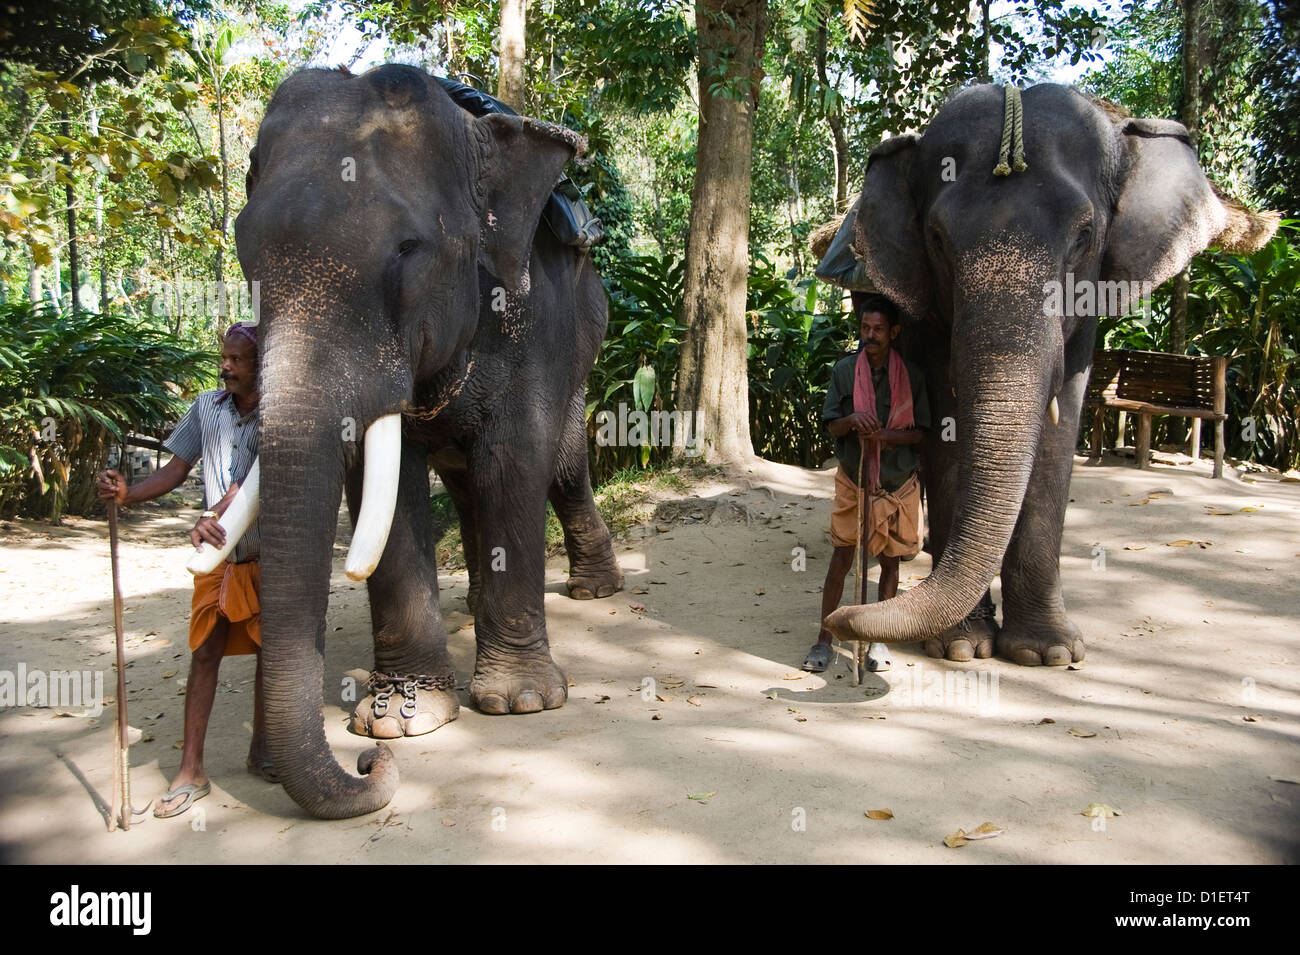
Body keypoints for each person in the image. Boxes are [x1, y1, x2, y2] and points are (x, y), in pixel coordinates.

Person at [96, 321, 272, 818]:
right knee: (205, 652)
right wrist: (129, 493)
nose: (226, 367)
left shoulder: (283, 411)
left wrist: (217, 511)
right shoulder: (206, 409)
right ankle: (191, 769)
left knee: (270, 650)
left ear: (261, 364)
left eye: (237, 360)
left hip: (268, 552)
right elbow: (175, 470)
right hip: (217, 557)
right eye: (225, 358)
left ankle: (263, 748)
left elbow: (256, 486)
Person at [803, 294, 929, 673]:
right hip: (853, 479)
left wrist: (887, 436)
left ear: (893, 332)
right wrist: (853, 420)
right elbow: (832, 425)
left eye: (878, 329)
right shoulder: (844, 371)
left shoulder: (913, 375)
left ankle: (878, 640)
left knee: (890, 562)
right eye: (864, 328)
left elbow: (921, 434)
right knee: (842, 557)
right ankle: (824, 639)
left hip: (898, 483)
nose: (870, 335)